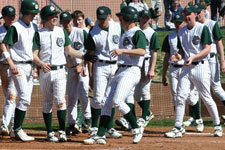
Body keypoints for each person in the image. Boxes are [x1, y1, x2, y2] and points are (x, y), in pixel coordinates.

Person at [83, 6, 146, 145]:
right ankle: (100, 135)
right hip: (121, 70)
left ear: (128, 18)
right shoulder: (125, 33)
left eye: (122, 17)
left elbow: (142, 51)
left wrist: (122, 51)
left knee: (117, 101)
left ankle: (136, 127)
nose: (120, 18)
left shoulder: (137, 32)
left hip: (132, 70)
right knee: (106, 102)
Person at [165, 4, 223, 138]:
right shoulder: (182, 31)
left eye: (189, 14)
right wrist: (178, 56)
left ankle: (217, 125)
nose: (186, 16)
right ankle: (178, 127)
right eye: (185, 14)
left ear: (195, 15)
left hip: (201, 66)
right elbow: (181, 51)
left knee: (206, 97)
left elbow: (207, 49)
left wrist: (193, 57)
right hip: (186, 67)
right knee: (180, 97)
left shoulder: (202, 29)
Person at [33, 5, 88, 142]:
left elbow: (69, 50)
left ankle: (62, 131)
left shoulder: (61, 32)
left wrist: (83, 56)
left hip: (59, 71)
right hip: (45, 71)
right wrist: (40, 64)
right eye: (52, 16)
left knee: (60, 101)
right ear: (45, 18)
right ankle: (50, 132)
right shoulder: (39, 33)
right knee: (46, 102)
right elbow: (34, 55)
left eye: (55, 16)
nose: (55, 18)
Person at [0, 0, 39, 141]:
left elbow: (33, 49)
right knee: (23, 97)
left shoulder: (33, 26)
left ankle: (14, 129)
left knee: (25, 98)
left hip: (29, 66)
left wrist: (35, 67)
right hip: (17, 66)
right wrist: (10, 63)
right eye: (32, 13)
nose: (34, 15)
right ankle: (17, 129)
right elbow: (4, 45)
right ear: (25, 12)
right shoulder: (15, 27)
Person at [184, 2, 225, 131]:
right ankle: (196, 118)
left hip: (211, 59)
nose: (197, 14)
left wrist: (223, 60)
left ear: (203, 11)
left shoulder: (212, 24)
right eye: (195, 12)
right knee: (195, 90)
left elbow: (219, 43)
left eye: (199, 12)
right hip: (197, 62)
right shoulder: (194, 26)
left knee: (216, 88)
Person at [82, 6, 122, 139]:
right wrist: (91, 75)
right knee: (98, 98)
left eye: (104, 18)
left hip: (115, 66)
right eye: (99, 18)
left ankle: (109, 128)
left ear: (110, 16)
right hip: (101, 66)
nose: (102, 21)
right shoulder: (93, 31)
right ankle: (94, 127)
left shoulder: (117, 27)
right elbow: (90, 55)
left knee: (110, 99)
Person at [116, 9, 159, 130]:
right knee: (132, 93)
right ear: (138, 18)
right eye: (143, 17)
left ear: (150, 19)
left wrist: (151, 69)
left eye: (147, 17)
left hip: (145, 62)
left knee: (144, 91)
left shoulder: (152, 33)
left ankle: (145, 115)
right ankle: (132, 119)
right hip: (132, 64)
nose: (145, 19)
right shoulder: (130, 32)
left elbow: (154, 52)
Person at [162, 12, 203, 133]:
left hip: (185, 67)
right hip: (173, 68)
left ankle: (198, 119)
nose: (178, 24)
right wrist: (164, 74)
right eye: (176, 22)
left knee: (190, 96)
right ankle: (178, 124)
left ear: (184, 22)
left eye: (180, 22)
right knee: (176, 96)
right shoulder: (170, 36)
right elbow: (166, 56)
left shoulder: (187, 33)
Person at [59, 11, 92, 135]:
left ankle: (87, 120)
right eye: (64, 21)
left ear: (71, 21)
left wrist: (82, 64)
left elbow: (89, 51)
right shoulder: (60, 34)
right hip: (70, 69)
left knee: (83, 92)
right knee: (71, 96)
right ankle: (72, 123)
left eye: (68, 21)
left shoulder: (80, 32)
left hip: (82, 66)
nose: (66, 23)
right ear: (61, 22)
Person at [0, 5, 17, 136]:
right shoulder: (0, 31)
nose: (11, 18)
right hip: (3, 66)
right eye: (8, 16)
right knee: (9, 97)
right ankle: (15, 126)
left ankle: (5, 124)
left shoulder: (18, 29)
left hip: (16, 67)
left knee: (11, 96)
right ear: (3, 17)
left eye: (13, 15)